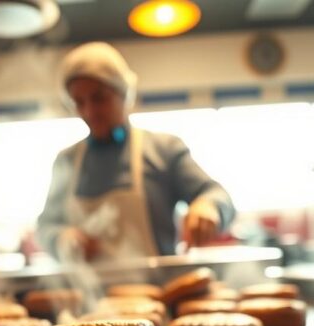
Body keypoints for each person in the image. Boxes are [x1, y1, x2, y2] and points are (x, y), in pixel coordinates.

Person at [36, 42, 235, 262]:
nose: (89, 111)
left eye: (99, 98)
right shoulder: (67, 161)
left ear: (123, 94)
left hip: (160, 290)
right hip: (91, 293)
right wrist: (61, 239)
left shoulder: (164, 149)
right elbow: (46, 226)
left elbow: (216, 194)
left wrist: (209, 207)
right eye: (79, 102)